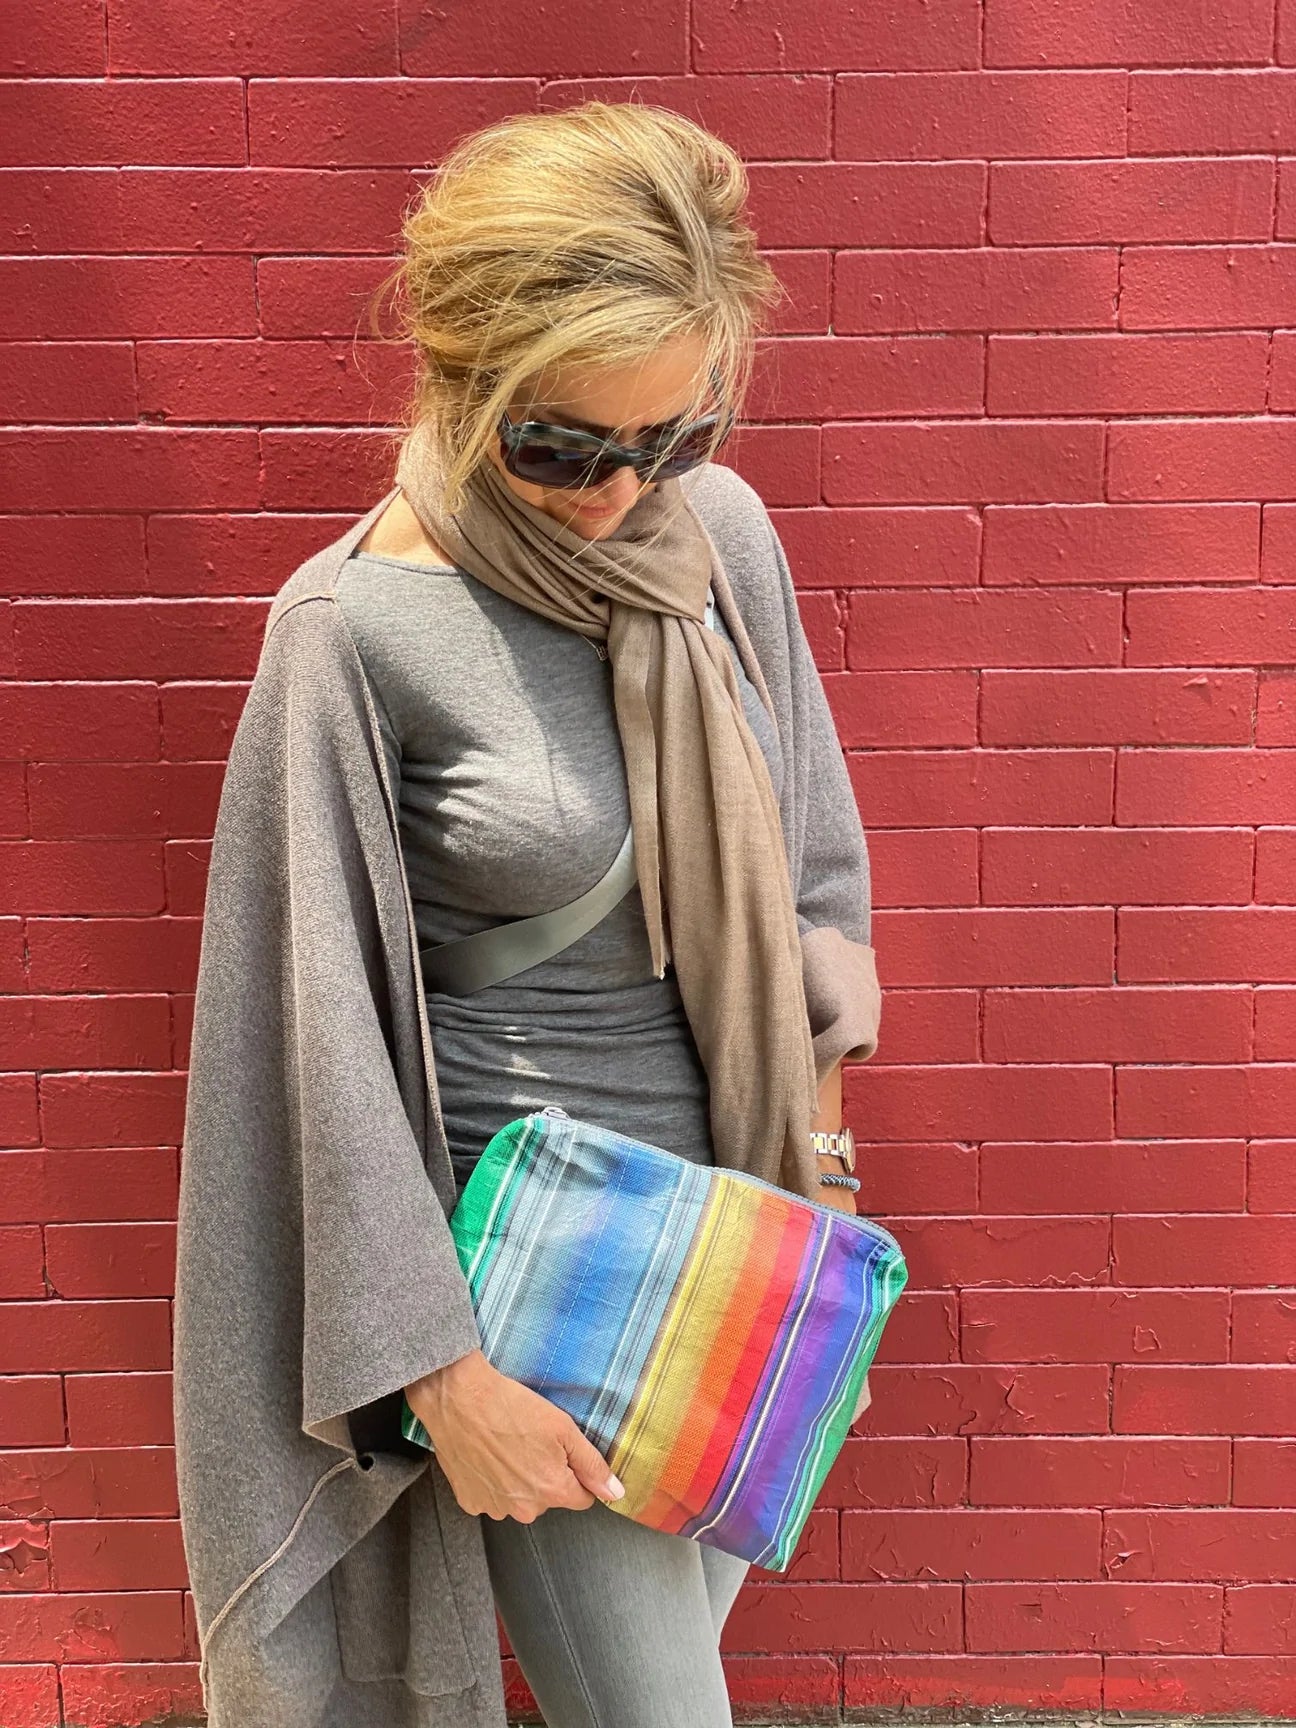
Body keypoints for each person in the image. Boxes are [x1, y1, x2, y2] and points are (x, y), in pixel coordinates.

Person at [174, 98, 881, 1728]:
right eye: (561, 447)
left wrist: (821, 1183)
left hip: (742, 1253)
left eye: (673, 438)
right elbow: (310, 1057)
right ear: (461, 380)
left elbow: (814, 870)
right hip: (539, 1298)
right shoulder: (352, 632)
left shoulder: (722, 541)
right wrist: (444, 1373)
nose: (620, 494)